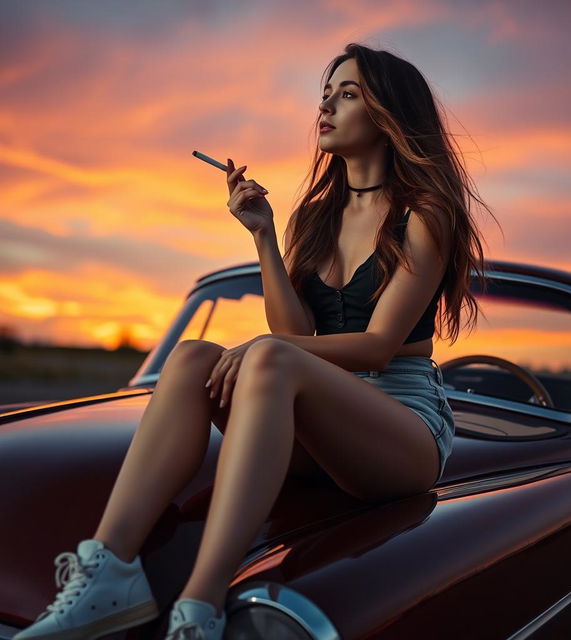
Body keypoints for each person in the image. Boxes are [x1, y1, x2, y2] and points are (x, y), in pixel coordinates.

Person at [14, 42, 496, 640]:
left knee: (266, 355)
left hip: (401, 422)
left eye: (348, 94)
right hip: (317, 414)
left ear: (389, 114)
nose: (327, 106)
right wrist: (264, 237)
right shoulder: (314, 217)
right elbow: (294, 337)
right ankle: (109, 576)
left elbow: (375, 346)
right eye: (326, 94)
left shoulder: (426, 212)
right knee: (191, 358)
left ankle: (201, 607)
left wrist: (267, 353)